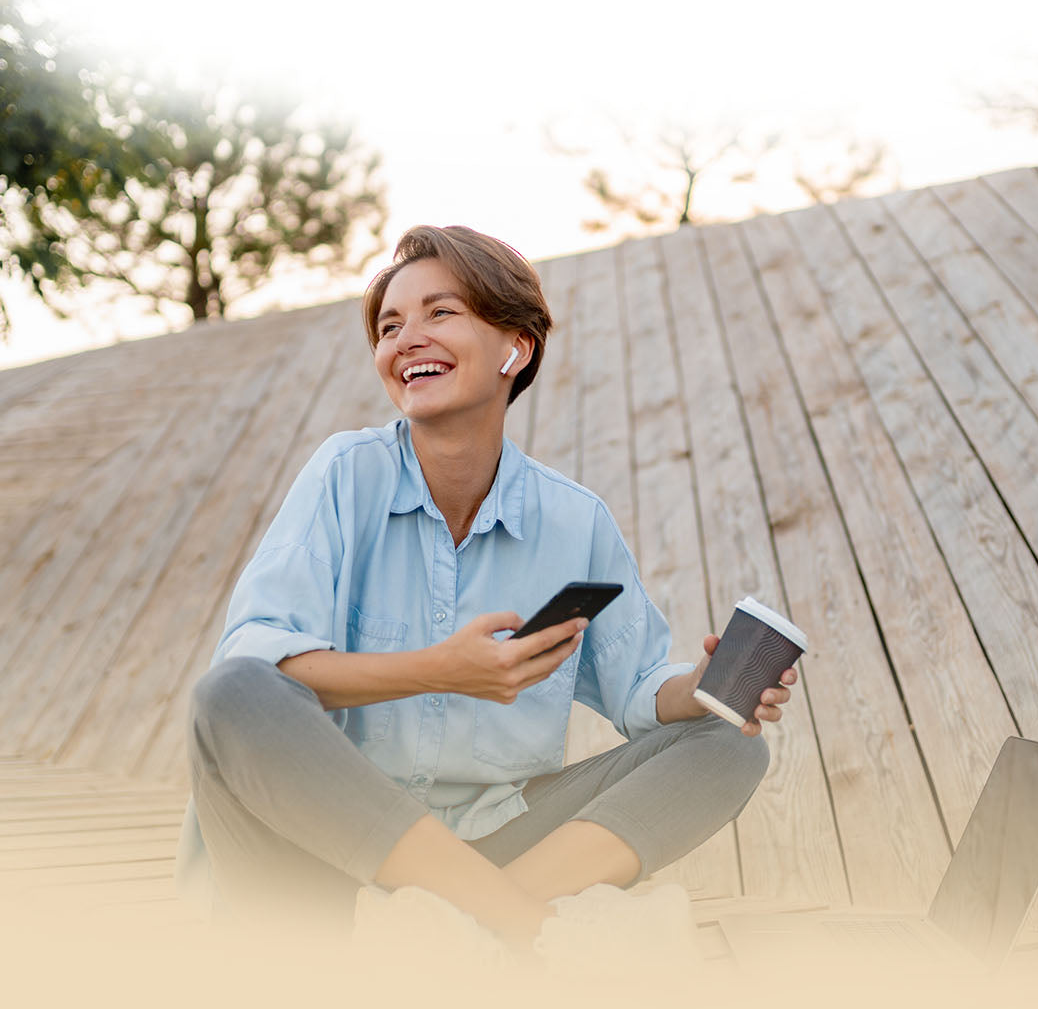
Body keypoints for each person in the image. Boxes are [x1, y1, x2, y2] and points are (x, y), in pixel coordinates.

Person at [176, 225, 797, 948]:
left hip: (500, 836)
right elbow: (259, 666)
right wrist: (440, 672)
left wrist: (701, 686)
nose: (406, 337)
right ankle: (518, 926)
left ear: (515, 347)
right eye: (389, 325)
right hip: (322, 852)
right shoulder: (346, 475)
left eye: (439, 313)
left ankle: (453, 925)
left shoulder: (573, 523)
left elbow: (637, 690)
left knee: (730, 745)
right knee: (231, 693)